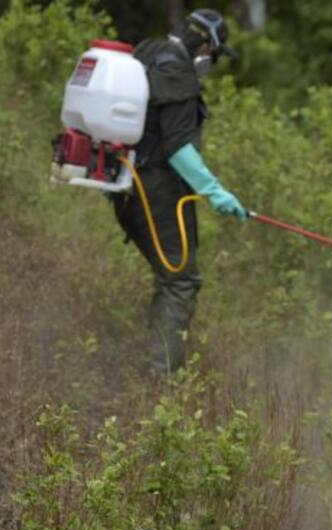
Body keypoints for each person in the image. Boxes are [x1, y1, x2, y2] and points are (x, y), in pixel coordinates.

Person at [113, 9, 247, 375]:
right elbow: (177, 149)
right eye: (214, 55)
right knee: (181, 280)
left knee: (170, 277)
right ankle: (163, 378)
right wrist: (216, 193)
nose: (211, 63)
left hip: (127, 184)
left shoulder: (149, 51)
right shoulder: (179, 75)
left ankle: (155, 365)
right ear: (206, 47)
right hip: (153, 190)